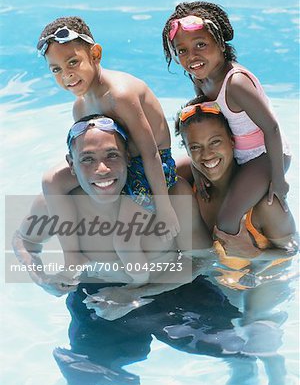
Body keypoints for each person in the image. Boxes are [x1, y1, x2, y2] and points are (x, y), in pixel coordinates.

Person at [36, 15, 180, 274]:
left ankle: (139, 286)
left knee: (123, 240)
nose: (66, 74)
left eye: (73, 62)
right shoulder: (80, 105)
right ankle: (73, 256)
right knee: (51, 181)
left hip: (146, 167)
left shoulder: (119, 96)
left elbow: (149, 153)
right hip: (114, 163)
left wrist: (165, 206)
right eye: (56, 69)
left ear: (96, 54)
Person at [12, 114, 212, 293]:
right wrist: (42, 279)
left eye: (112, 155)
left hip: (176, 291)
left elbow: (200, 259)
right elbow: (24, 241)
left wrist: (135, 295)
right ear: (71, 164)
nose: (102, 169)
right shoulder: (55, 205)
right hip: (95, 297)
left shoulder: (173, 198)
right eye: (88, 159)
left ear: (127, 158)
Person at [162, 1, 292, 247]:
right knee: (169, 171)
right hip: (237, 150)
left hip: (263, 155)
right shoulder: (202, 77)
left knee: (227, 218)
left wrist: (278, 178)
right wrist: (197, 170)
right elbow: (201, 112)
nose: (192, 57)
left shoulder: (236, 83)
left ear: (221, 44)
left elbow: (272, 128)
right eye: (182, 51)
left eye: (201, 45)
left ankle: (236, 263)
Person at [175, 98, 298, 325]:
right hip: (219, 275)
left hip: (264, 276)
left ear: (233, 141)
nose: (207, 155)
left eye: (215, 142)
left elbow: (291, 250)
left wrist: (255, 254)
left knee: (258, 332)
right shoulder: (187, 181)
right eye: (195, 147)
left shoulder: (265, 203)